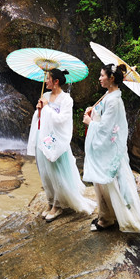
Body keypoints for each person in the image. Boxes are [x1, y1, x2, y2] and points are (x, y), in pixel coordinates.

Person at [82, 63, 140, 233]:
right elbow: (102, 116)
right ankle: (107, 215)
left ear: (111, 78)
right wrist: (93, 111)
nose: (99, 78)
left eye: (102, 75)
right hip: (107, 148)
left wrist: (90, 123)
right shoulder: (109, 95)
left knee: (110, 183)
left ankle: (110, 218)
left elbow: (106, 128)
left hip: (110, 148)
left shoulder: (115, 101)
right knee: (103, 184)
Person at [27, 68, 96, 222]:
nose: (46, 81)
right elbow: (41, 118)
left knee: (56, 172)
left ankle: (58, 206)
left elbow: (62, 120)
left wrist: (46, 108)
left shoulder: (66, 99)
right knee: (45, 171)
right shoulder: (45, 96)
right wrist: (39, 110)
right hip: (43, 137)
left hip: (56, 140)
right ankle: (50, 201)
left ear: (56, 81)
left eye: (48, 78)